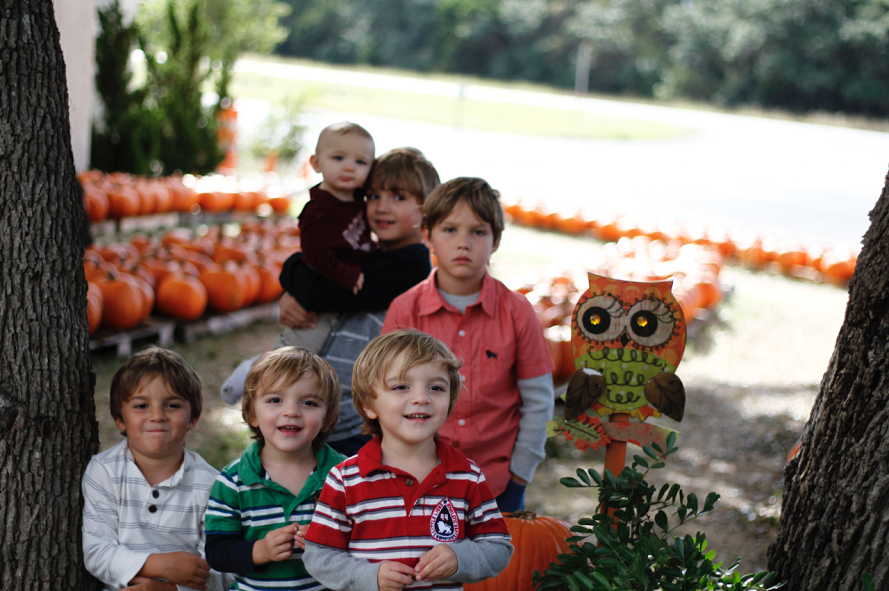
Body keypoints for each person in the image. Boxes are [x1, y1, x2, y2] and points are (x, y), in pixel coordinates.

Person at [222, 148, 439, 458]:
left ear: (427, 209)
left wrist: (297, 283)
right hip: (320, 413)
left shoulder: (410, 267)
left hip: (355, 424)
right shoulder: (371, 255)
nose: (382, 207)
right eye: (373, 196)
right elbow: (311, 265)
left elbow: (319, 289)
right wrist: (293, 289)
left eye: (399, 197)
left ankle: (260, 368)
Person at [381, 177, 556, 513]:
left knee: (498, 566)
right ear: (427, 235)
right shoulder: (405, 310)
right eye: (450, 230)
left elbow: (538, 400)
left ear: (495, 241)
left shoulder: (518, 311)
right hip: (417, 478)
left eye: (478, 232)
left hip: (498, 482)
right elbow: (387, 394)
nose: (464, 243)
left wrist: (521, 472)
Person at [302, 329, 513, 591]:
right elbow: (319, 556)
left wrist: (460, 558)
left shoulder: (466, 475)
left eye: (436, 388)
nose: (421, 398)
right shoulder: (346, 479)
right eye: (401, 386)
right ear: (369, 403)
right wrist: (368, 575)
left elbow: (498, 548)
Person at [82, 347, 226, 591]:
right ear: (120, 419)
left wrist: (168, 590)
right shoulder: (104, 472)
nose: (157, 415)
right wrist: (156, 565)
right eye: (141, 406)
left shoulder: (211, 484)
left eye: (172, 405)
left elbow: (221, 572)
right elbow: (97, 551)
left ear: (193, 418)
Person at [204, 347, 346, 591]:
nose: (291, 411)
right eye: (275, 400)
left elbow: (368, 539)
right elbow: (217, 552)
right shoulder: (233, 481)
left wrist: (329, 541)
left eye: (308, 402)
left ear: (328, 418)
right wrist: (260, 550)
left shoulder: (346, 476)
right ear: (252, 414)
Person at [291, 120, 377, 352]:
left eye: (360, 162)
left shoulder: (359, 199)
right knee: (303, 349)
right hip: (324, 288)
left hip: (348, 295)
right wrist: (345, 274)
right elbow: (315, 254)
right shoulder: (318, 210)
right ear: (316, 163)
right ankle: (248, 375)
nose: (350, 167)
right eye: (338, 158)